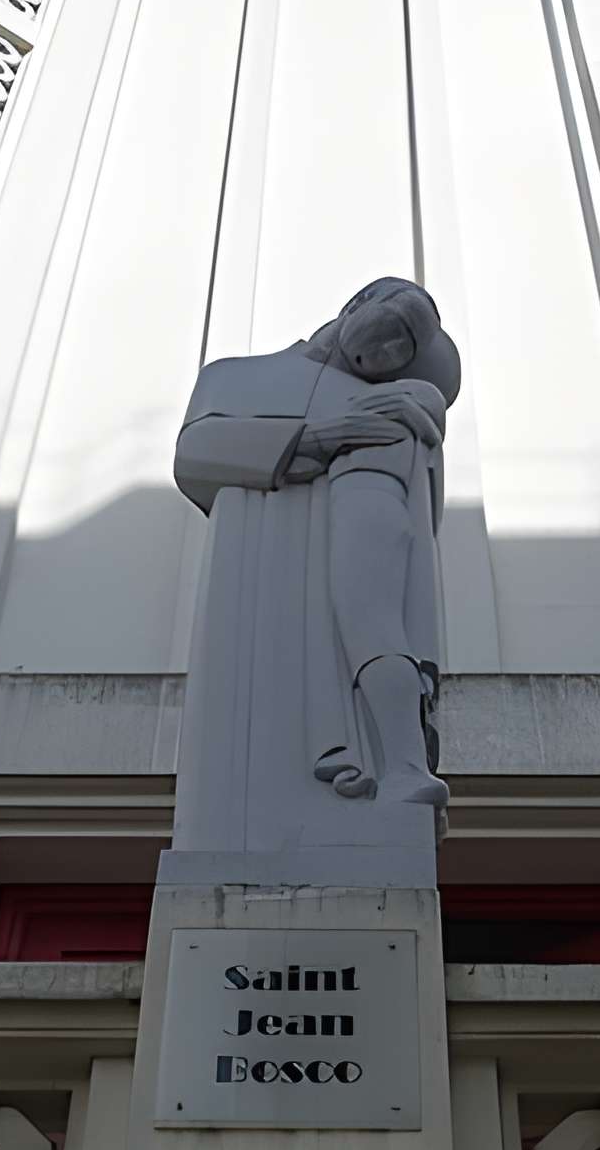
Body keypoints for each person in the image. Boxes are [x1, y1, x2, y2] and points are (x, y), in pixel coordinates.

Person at [174, 277, 462, 812]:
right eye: (386, 334)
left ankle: (397, 760)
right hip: (255, 569)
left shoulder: (400, 401)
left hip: (356, 546)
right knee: (239, 752)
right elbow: (195, 453)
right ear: (355, 307)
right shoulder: (237, 376)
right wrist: (321, 438)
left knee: (368, 619)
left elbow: (412, 511)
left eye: (402, 350)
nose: (384, 355)